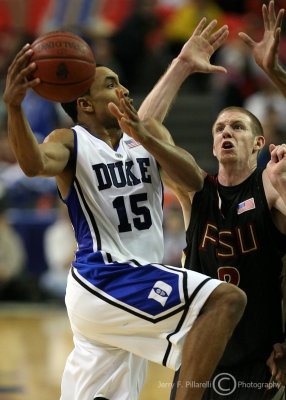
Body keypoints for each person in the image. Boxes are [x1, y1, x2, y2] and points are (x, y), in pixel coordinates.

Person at [3, 19, 247, 400]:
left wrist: (181, 65)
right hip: (105, 276)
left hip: (130, 284)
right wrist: (14, 107)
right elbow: (34, 164)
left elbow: (191, 176)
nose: (125, 88)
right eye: (111, 84)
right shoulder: (71, 141)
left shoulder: (142, 138)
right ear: (84, 103)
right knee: (225, 300)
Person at [139, 1, 286, 398]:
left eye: (237, 126)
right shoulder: (196, 189)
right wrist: (182, 65)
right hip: (201, 357)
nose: (226, 131)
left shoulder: (271, 186)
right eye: (220, 126)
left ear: (258, 142)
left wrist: (274, 71)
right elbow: (142, 132)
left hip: (261, 359)